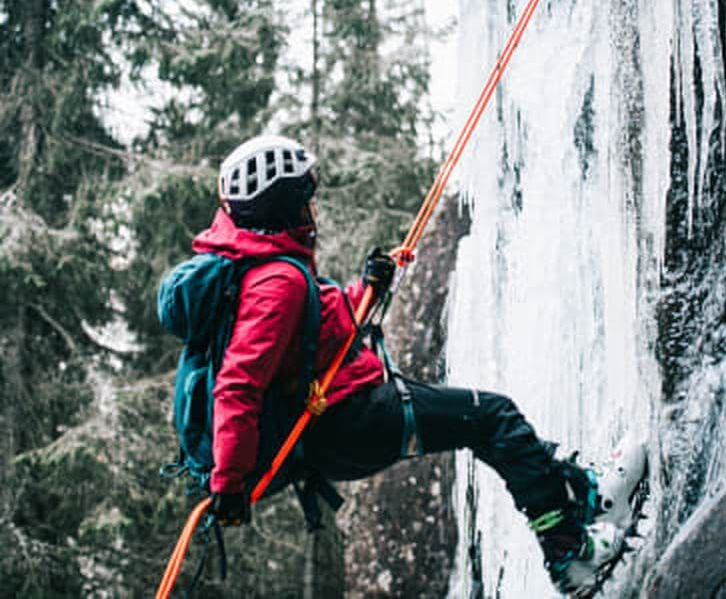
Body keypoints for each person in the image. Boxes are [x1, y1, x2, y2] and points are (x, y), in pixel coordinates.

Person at [194, 134, 646, 595]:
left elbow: (316, 331)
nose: (315, 210)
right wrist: (229, 483)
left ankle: (586, 493)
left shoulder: (266, 266)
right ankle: (569, 553)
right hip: (350, 421)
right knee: (494, 419)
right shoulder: (279, 282)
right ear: (285, 206)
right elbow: (238, 384)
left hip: (342, 414)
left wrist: (368, 289)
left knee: (488, 422)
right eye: (307, 198)